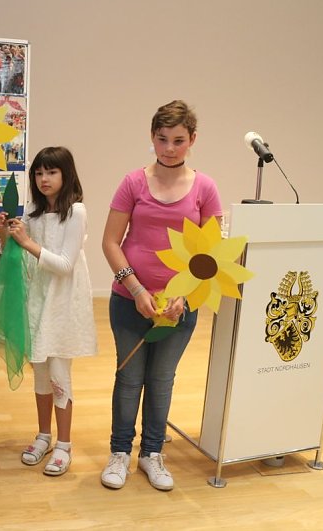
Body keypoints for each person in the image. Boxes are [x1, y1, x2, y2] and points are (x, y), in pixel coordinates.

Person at [100, 100, 223, 491]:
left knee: (161, 378)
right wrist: (135, 289)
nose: (169, 148)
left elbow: (214, 253)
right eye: (162, 139)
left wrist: (184, 297)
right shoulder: (133, 182)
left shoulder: (205, 187)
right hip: (129, 301)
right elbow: (110, 242)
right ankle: (120, 451)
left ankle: (151, 453)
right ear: (151, 137)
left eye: (178, 140)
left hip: (179, 306)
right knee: (129, 376)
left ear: (193, 140)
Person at [0, 146, 98, 477]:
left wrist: (26, 242)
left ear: (66, 175)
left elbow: (65, 265)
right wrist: (5, 234)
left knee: (58, 374)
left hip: (62, 304)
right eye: (38, 173)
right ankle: (43, 435)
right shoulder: (33, 214)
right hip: (36, 301)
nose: (44, 179)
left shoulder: (77, 212)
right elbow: (16, 256)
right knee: (39, 371)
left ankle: (64, 443)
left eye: (51, 172)